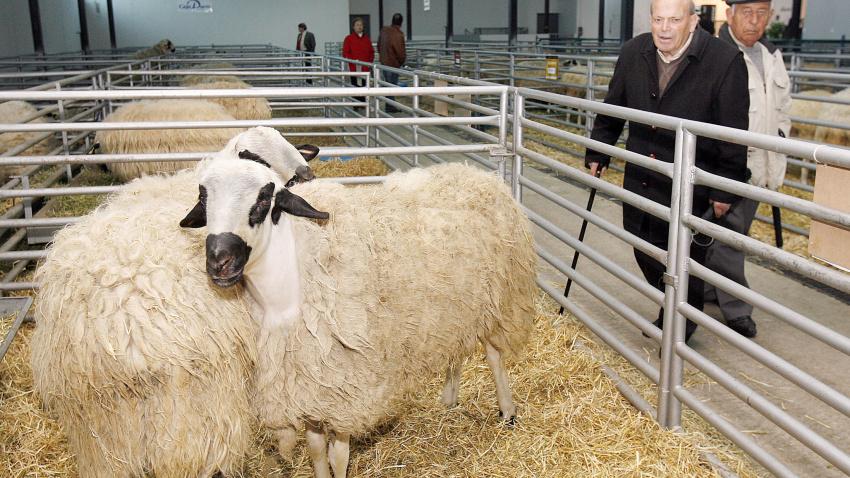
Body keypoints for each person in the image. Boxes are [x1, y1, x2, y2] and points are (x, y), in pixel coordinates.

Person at [584, 0, 749, 344]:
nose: (664, 28)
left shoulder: (723, 61)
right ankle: (675, 307)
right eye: (658, 19)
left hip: (692, 183)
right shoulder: (634, 52)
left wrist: (724, 188)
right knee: (643, 246)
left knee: (686, 255)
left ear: (692, 21)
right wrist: (599, 149)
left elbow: (734, 130)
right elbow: (613, 107)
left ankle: (679, 323)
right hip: (641, 174)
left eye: (674, 20)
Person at [703, 0, 791, 339]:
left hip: (761, 164)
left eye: (761, 13)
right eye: (747, 13)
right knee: (730, 239)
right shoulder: (718, 55)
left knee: (724, 235)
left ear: (769, 16)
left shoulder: (771, 54)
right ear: (730, 15)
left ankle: (709, 289)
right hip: (729, 163)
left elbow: (783, 107)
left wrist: (781, 138)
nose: (754, 21)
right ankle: (737, 308)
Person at [377, 13, 406, 113]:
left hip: (384, 62)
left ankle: (389, 104)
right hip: (393, 63)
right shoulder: (398, 34)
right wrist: (401, 62)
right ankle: (390, 106)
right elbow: (400, 51)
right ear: (401, 22)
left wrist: (382, 57)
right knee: (392, 85)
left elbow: (378, 46)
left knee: (387, 84)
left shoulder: (384, 30)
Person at [343, 17, 375, 102]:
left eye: (361, 25)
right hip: (354, 68)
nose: (359, 27)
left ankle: (364, 104)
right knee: (355, 86)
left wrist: (369, 63)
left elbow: (371, 52)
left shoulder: (366, 39)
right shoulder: (349, 39)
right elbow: (345, 52)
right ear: (353, 27)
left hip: (365, 68)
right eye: (357, 25)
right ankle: (356, 105)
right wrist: (352, 62)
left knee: (365, 87)